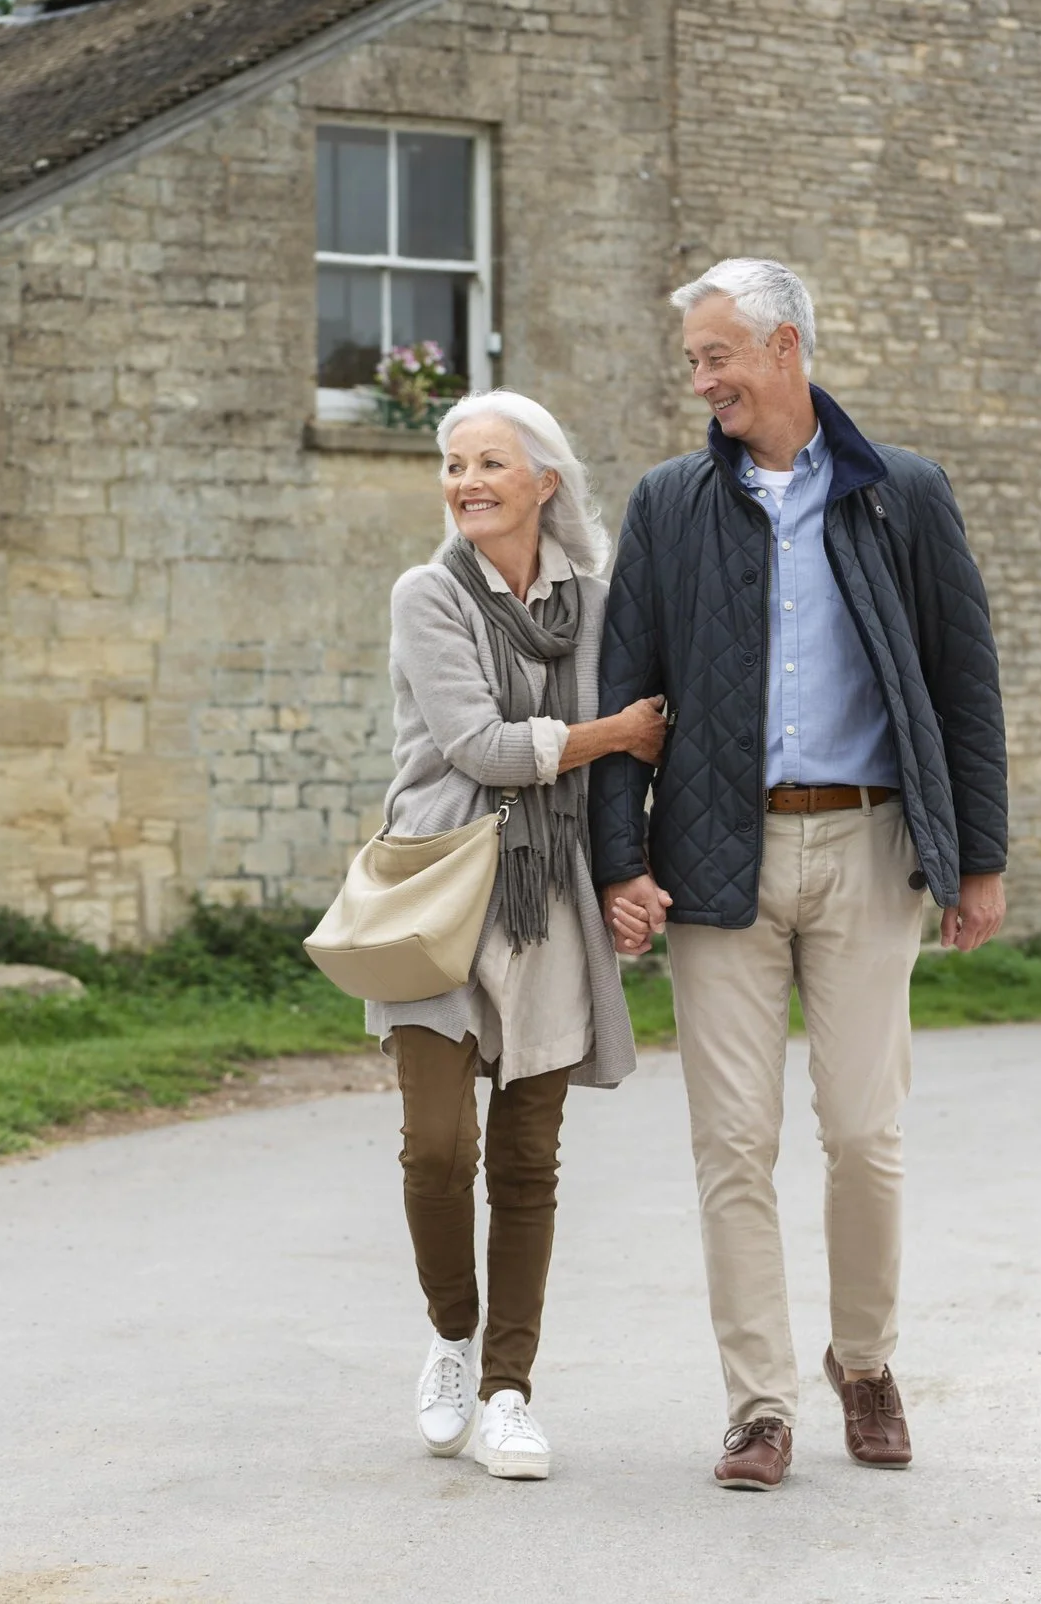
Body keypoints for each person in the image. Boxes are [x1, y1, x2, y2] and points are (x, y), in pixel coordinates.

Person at [592, 258, 1009, 1490]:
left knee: (865, 1136)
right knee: (732, 1143)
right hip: (716, 852)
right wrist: (620, 859)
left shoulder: (902, 494)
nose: (702, 380)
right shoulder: (669, 503)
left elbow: (962, 680)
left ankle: (865, 1364)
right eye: (693, 362)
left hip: (872, 848)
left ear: (783, 349)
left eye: (717, 356)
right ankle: (759, 1406)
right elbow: (622, 692)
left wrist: (976, 859)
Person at [369, 389, 662, 1481]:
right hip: (437, 887)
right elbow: (479, 745)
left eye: (490, 463)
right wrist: (613, 732)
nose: (467, 483)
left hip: (551, 894)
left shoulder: (591, 602)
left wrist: (630, 875)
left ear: (545, 480)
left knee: (528, 1162)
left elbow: (624, 768)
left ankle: (506, 1389)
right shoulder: (426, 594)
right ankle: (451, 1335)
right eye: (453, 465)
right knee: (438, 1149)